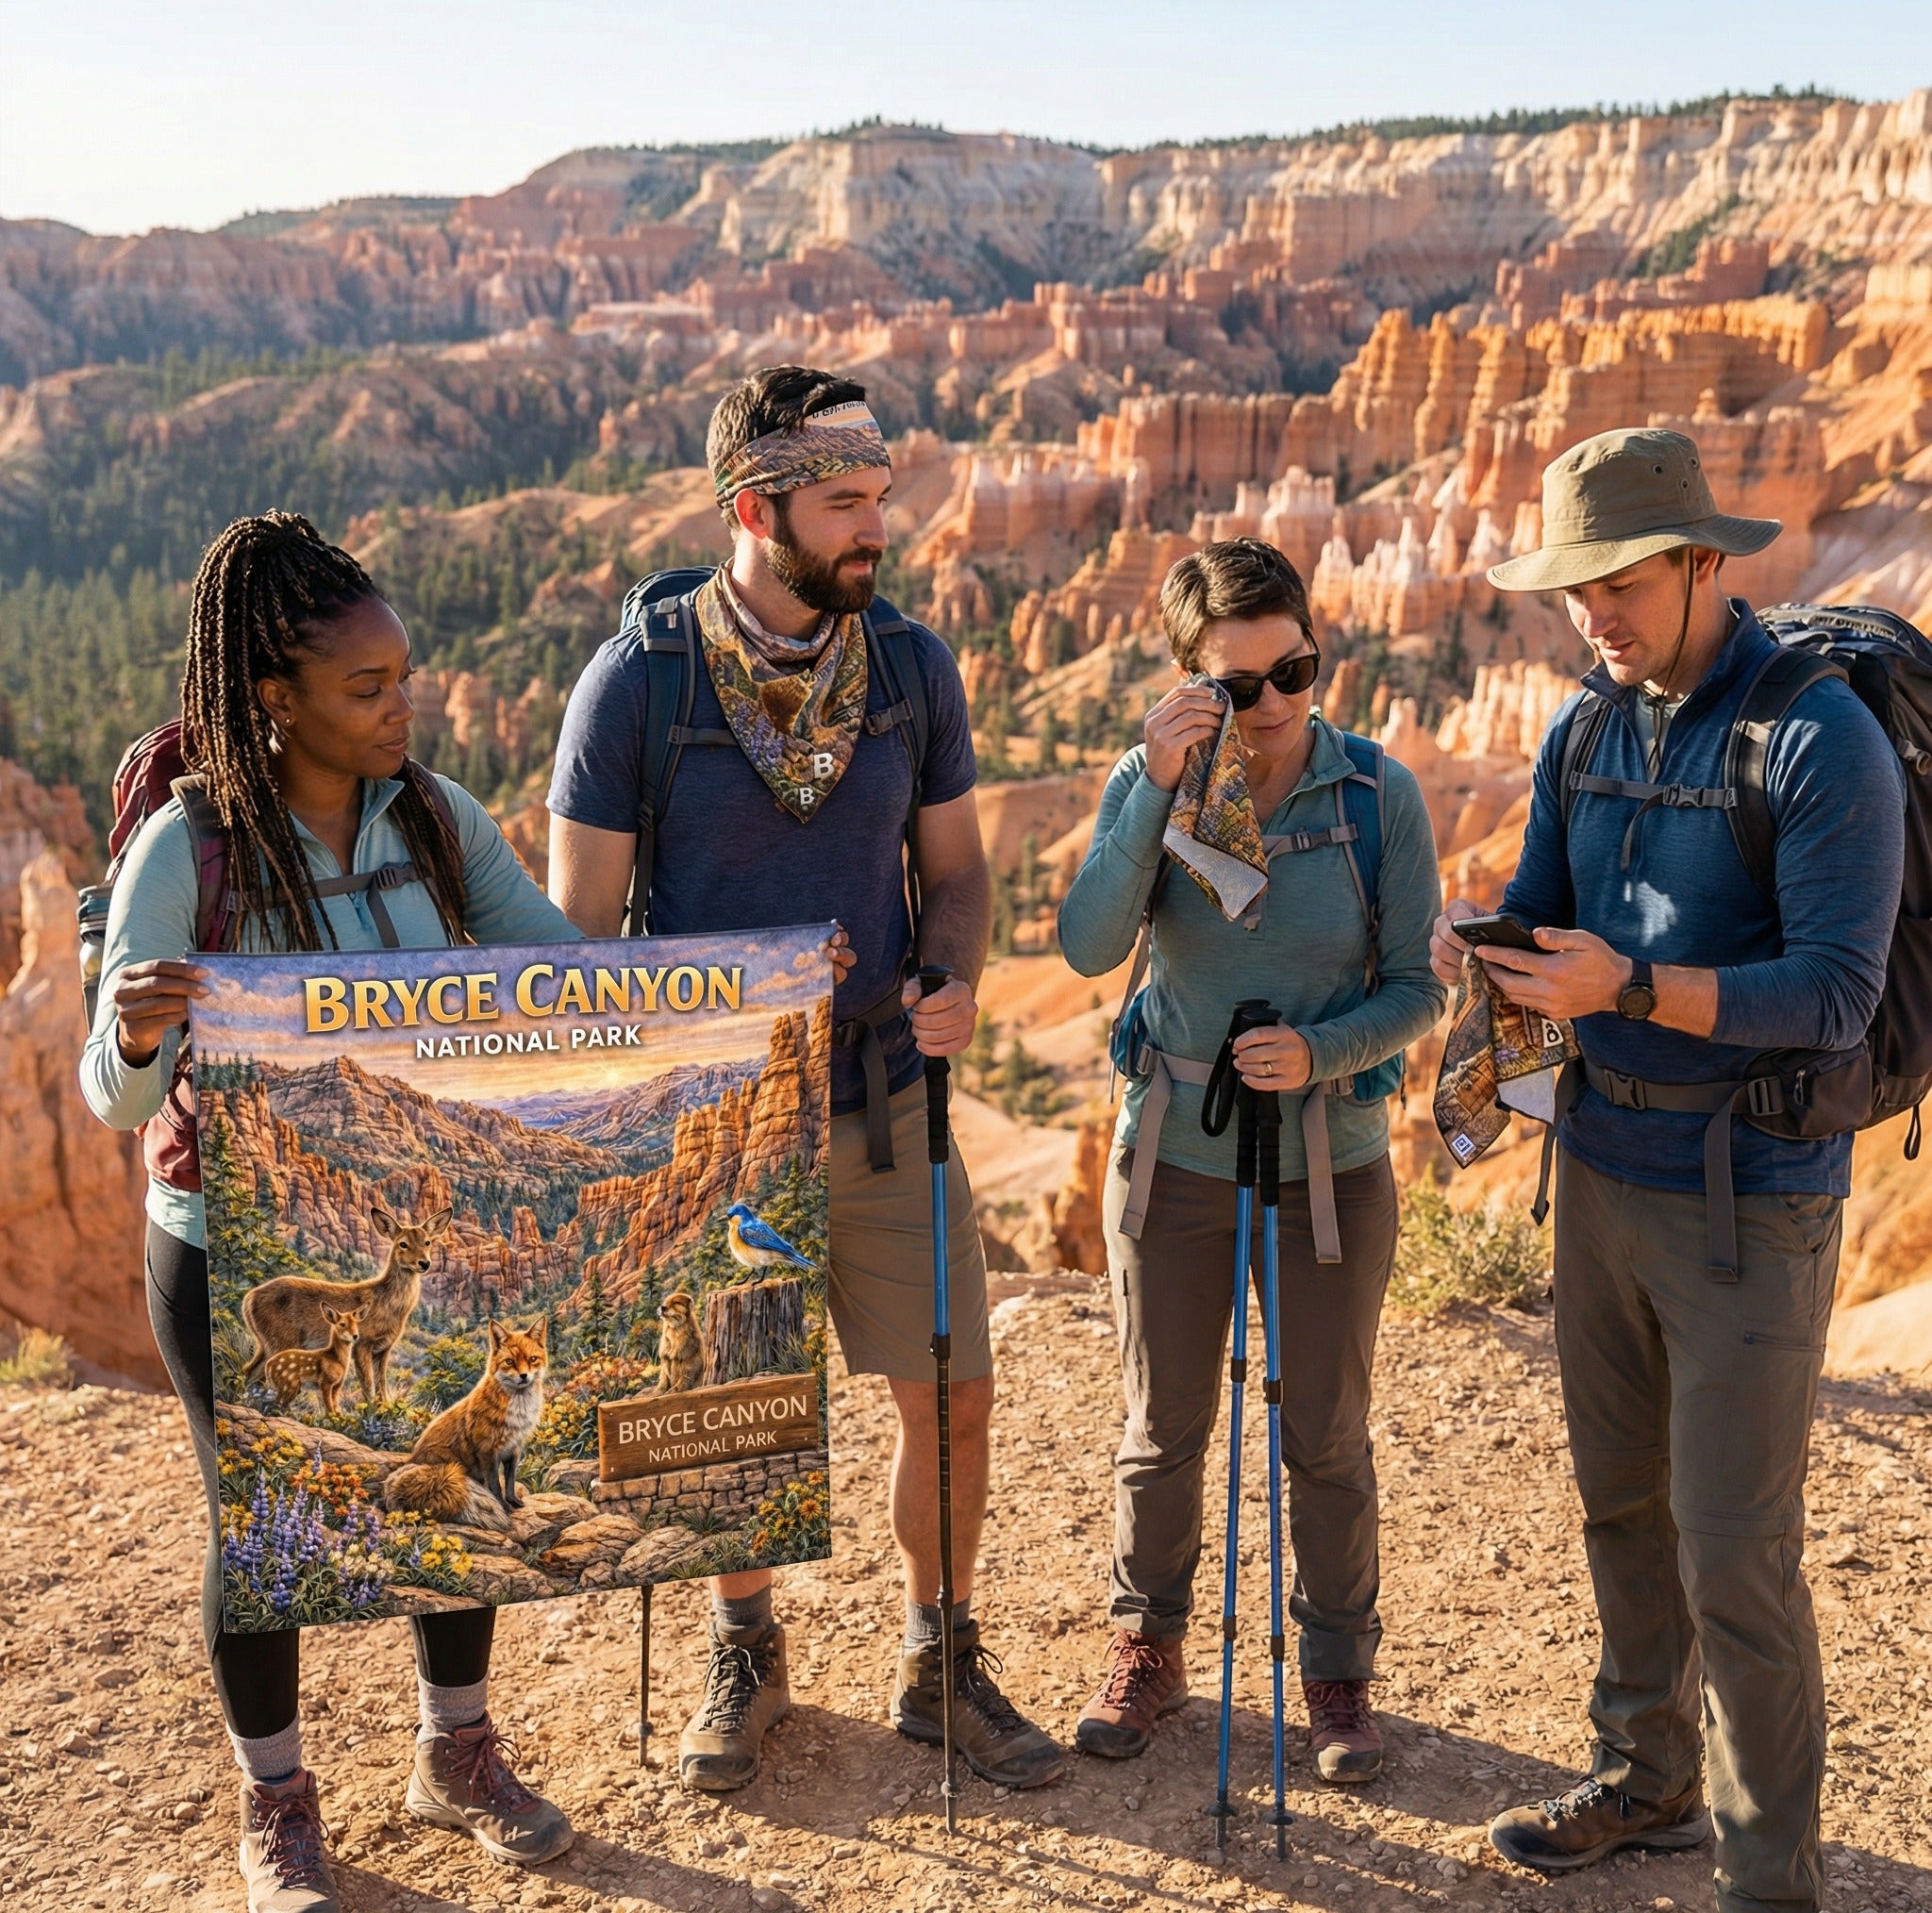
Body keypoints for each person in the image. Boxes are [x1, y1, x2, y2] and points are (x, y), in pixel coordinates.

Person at [545, 365, 1063, 1792]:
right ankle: (747, 1644)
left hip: (890, 1103)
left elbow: (953, 875)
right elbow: (580, 937)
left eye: (877, 501)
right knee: (733, 1415)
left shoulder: (910, 671)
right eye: (844, 504)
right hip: (717, 1128)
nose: (874, 531)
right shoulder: (636, 686)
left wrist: (950, 977)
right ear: (751, 508)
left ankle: (936, 1654)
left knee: (951, 1395)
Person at [1429, 427, 1903, 1910]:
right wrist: (1488, 945)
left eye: (1620, 585)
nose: (1596, 618)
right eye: (1575, 595)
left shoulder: (1821, 740)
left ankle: (1770, 1879)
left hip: (1752, 1194)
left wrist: (1628, 987)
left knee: (1736, 1556)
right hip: (1604, 1171)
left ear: (1705, 562)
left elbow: (1835, 993)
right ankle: (1646, 1782)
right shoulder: (1591, 725)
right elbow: (1544, 905)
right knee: (1619, 1507)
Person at [79, 513, 578, 1913]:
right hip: (226, 1241)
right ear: (272, 699)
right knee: (268, 1530)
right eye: (369, 688)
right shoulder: (191, 853)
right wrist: (130, 1031)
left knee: (452, 1460)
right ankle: (278, 1802)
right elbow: (114, 1105)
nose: (401, 704)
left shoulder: (434, 817)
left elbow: (569, 969)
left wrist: (746, 987)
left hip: (394, 1242)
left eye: (406, 675)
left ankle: (455, 1753)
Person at [1058, 537, 1443, 1777]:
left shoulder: (1377, 796)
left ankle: (1336, 1674)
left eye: (1296, 672)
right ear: (1186, 684)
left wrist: (1320, 1054)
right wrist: (1154, 788)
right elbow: (1084, 942)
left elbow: (1417, 993)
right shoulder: (1156, 781)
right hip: (1174, 1160)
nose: (1273, 706)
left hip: (1330, 1165)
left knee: (1325, 1432)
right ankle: (1148, 1649)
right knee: (1161, 1426)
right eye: (1237, 686)